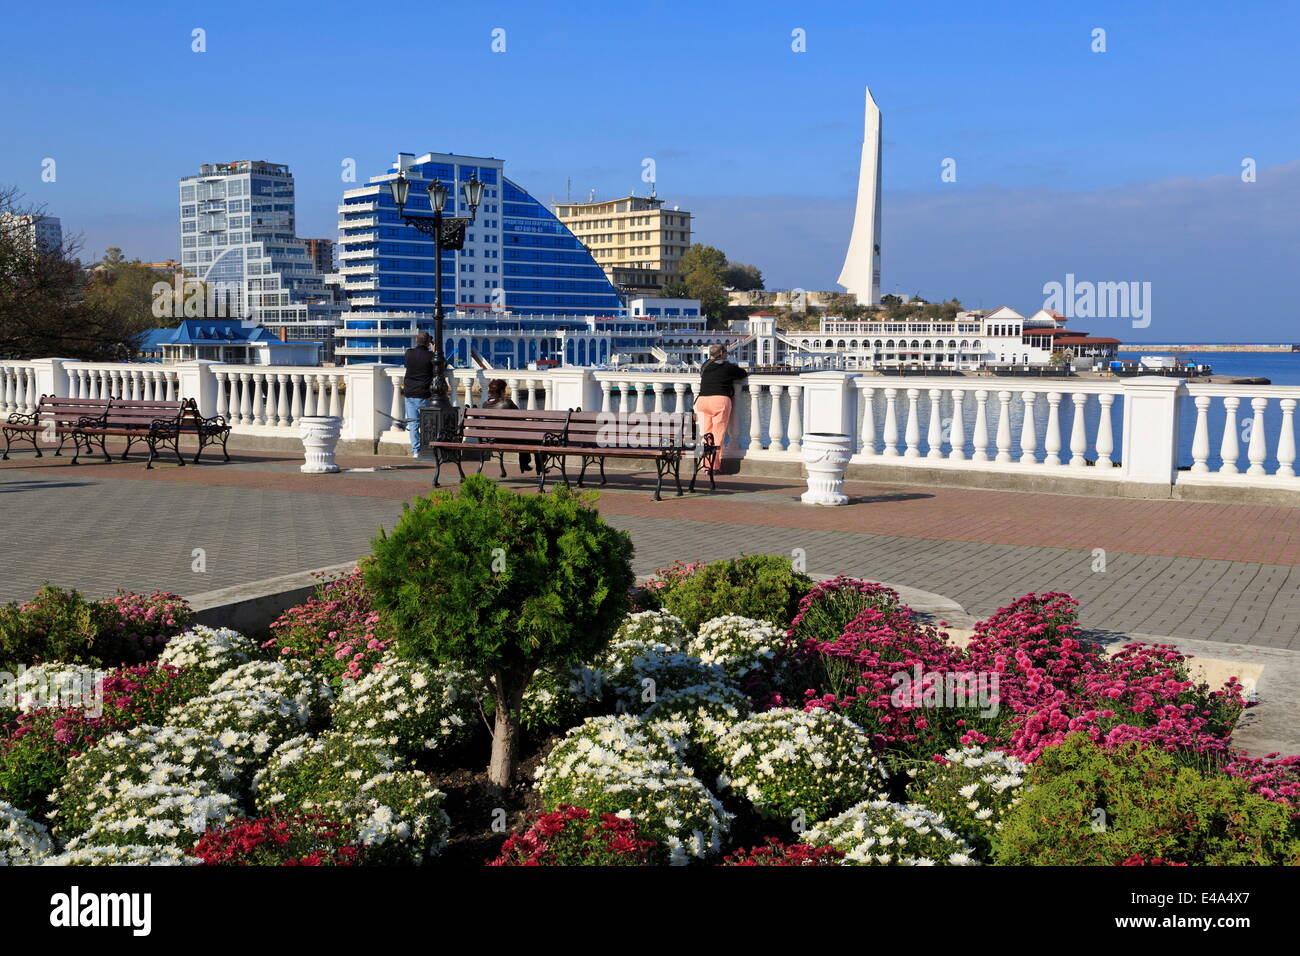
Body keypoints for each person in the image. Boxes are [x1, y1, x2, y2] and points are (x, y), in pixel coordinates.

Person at [694, 343, 747, 472]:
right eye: (726, 353)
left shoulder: (705, 365)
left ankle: (705, 465)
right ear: (722, 354)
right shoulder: (728, 367)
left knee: (706, 434)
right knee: (718, 434)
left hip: (702, 401)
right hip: (719, 401)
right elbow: (742, 374)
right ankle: (713, 466)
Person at [482, 378, 533, 472]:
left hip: (493, 439)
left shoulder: (485, 405)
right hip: (508, 439)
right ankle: (525, 463)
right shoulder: (507, 403)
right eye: (504, 389)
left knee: (524, 438)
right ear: (502, 390)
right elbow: (521, 418)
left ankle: (525, 463)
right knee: (528, 439)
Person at [403, 332, 434, 458]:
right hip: (423, 392)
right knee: (426, 423)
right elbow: (442, 364)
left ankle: (416, 450)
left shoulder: (409, 353)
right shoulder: (430, 356)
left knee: (413, 423)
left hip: (409, 391)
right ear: (428, 343)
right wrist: (435, 349)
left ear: (417, 341)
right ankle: (426, 448)